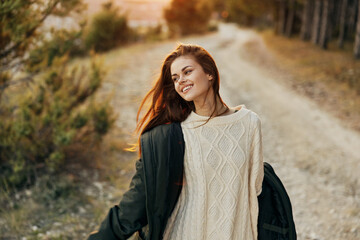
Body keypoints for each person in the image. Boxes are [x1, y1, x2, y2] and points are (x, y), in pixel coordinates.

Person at [87, 44, 264, 240]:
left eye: (187, 71)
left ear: (209, 73)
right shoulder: (173, 135)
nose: (181, 81)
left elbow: (255, 188)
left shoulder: (249, 123)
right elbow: (136, 203)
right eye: (175, 78)